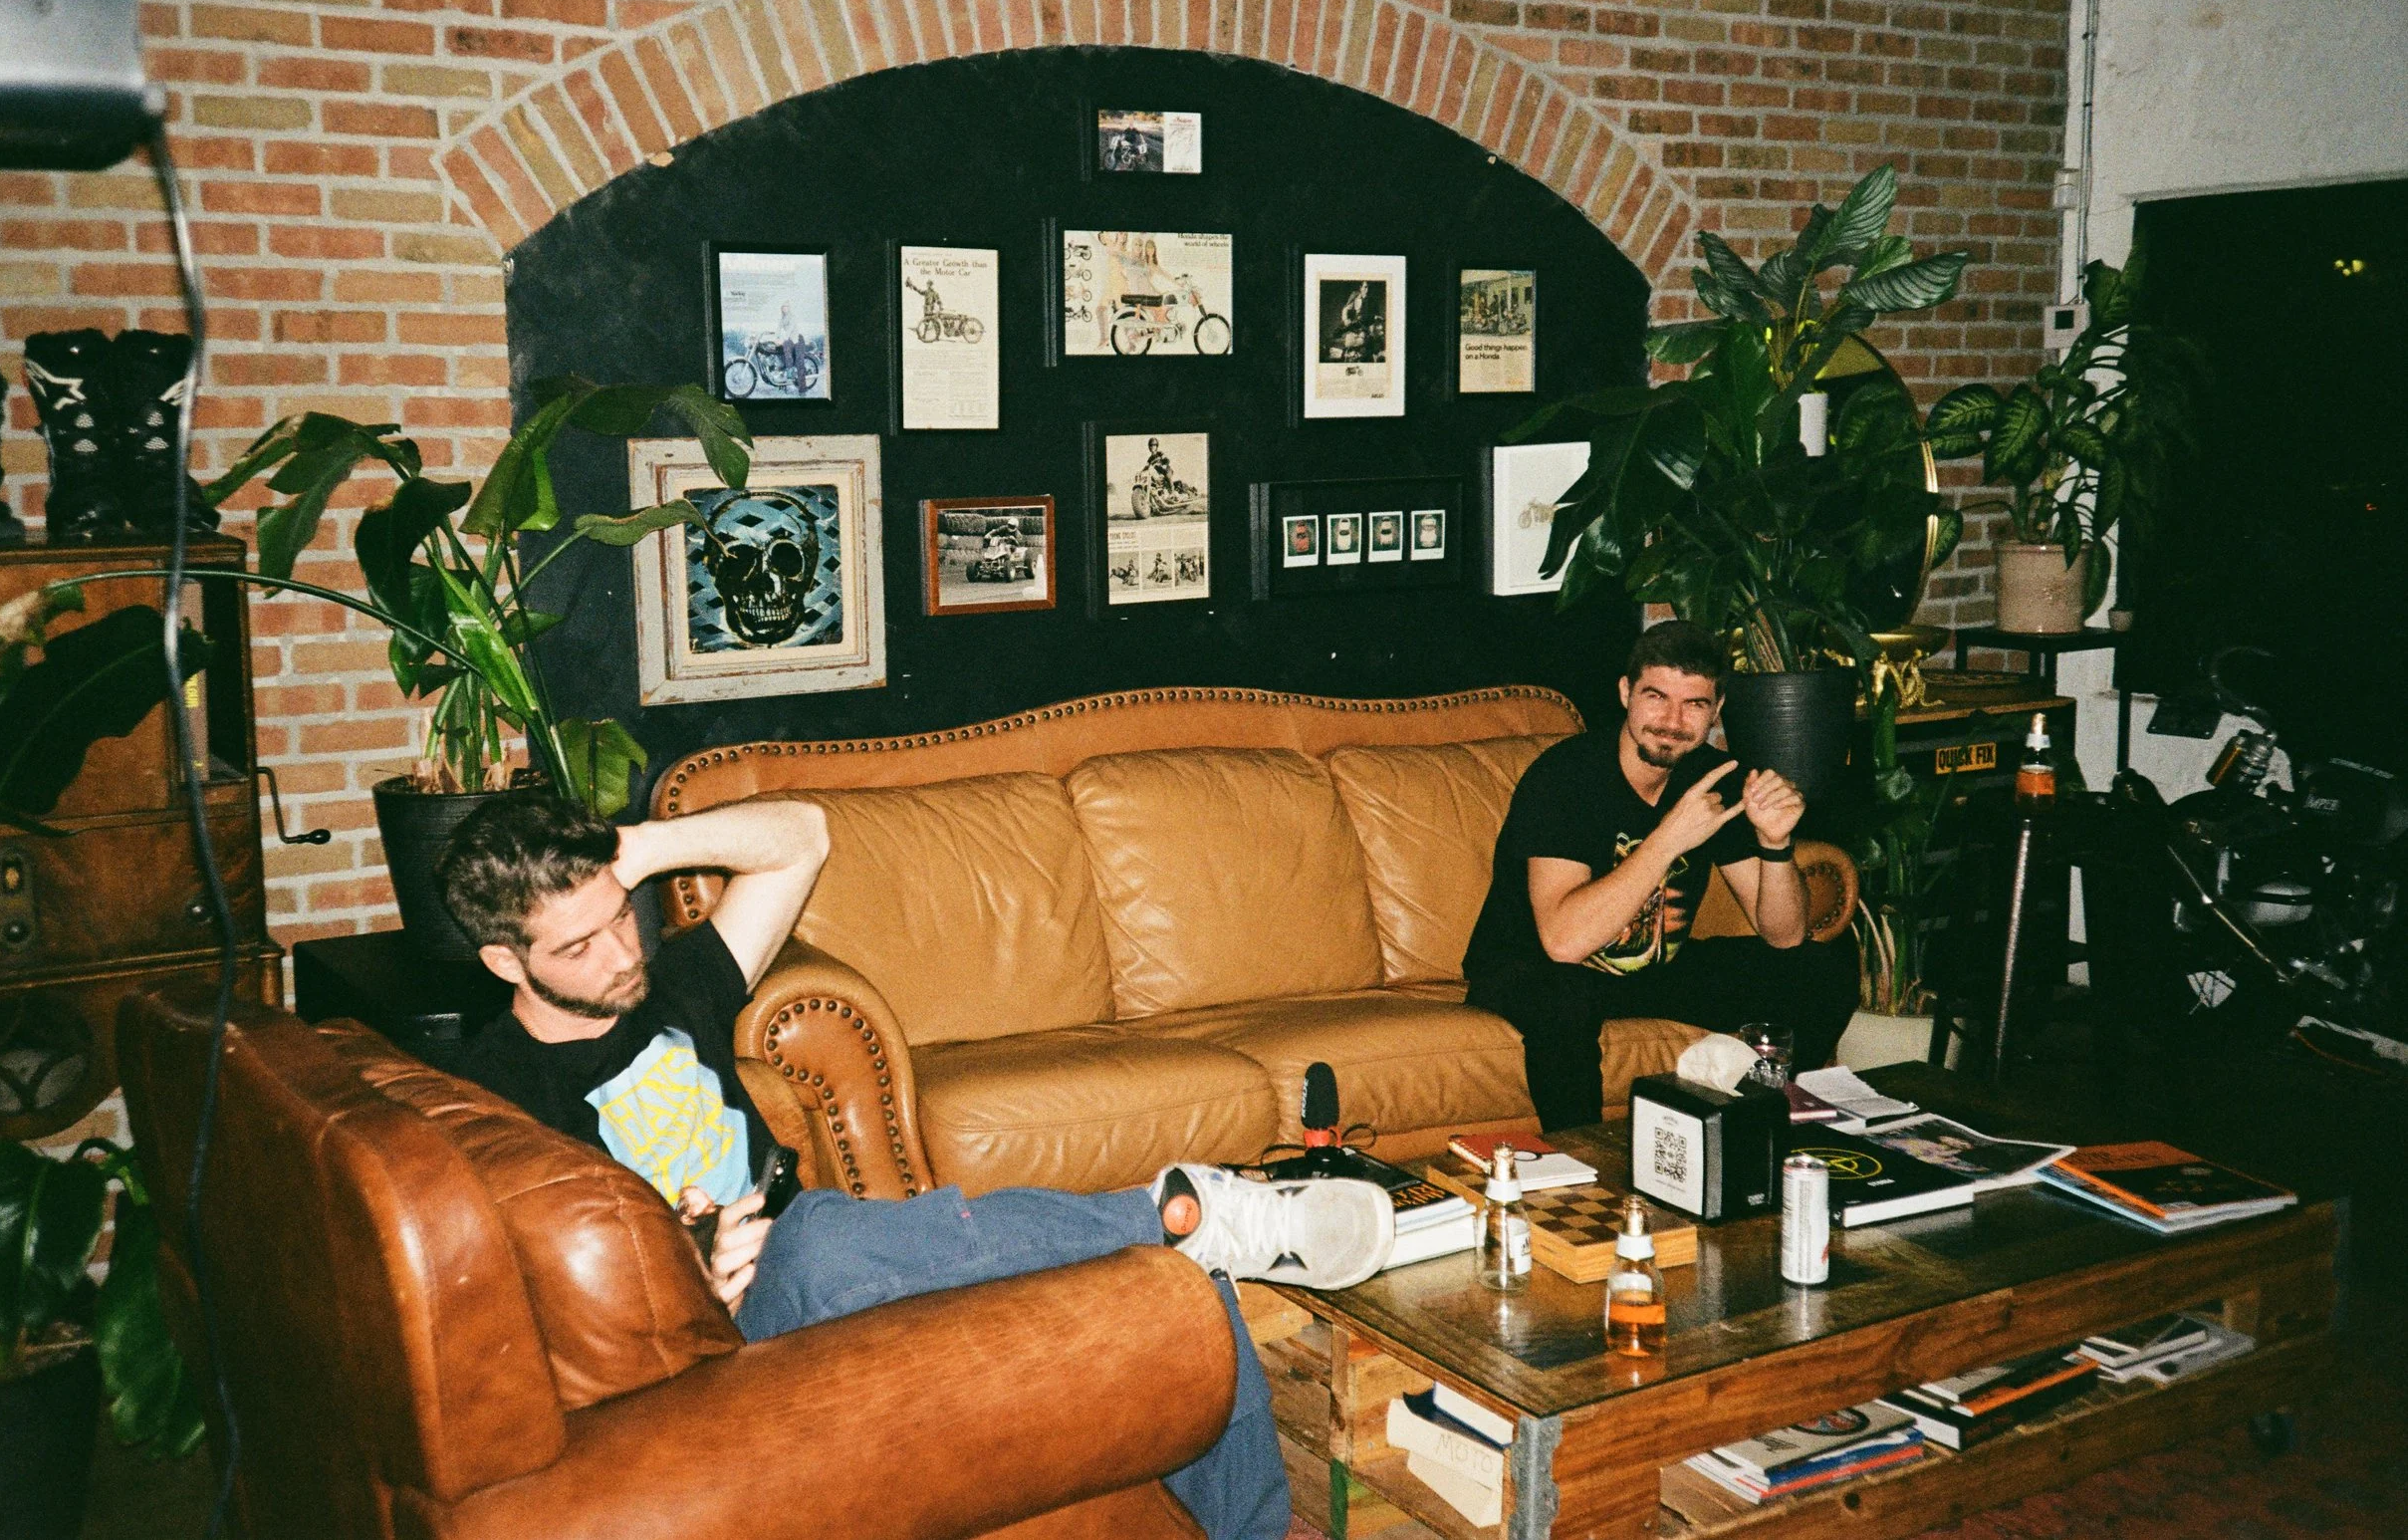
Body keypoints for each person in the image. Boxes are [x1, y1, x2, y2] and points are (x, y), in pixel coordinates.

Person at [436, 793, 1390, 1540]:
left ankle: (1249, 1506)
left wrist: (638, 847)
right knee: (813, 1242)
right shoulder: (493, 1098)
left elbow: (802, 836)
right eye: (578, 945)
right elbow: (539, 1301)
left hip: (844, 1257)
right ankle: (1176, 1207)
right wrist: (690, 1268)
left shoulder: (672, 983)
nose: (619, 953)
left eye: (620, 917)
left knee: (1175, 1275)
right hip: (736, 1315)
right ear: (504, 962)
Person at [1462, 620, 1858, 1129]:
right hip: (1529, 967)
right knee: (1563, 998)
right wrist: (1670, 837)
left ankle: (1758, 1125)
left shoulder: (1715, 777)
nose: (1672, 721)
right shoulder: (1565, 778)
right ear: (1626, 693)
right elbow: (1562, 942)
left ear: (1716, 710)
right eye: (1656, 697)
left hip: (1652, 971)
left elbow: (1784, 937)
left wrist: (1775, 844)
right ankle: (1585, 1155)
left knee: (1824, 967)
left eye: (1694, 704)